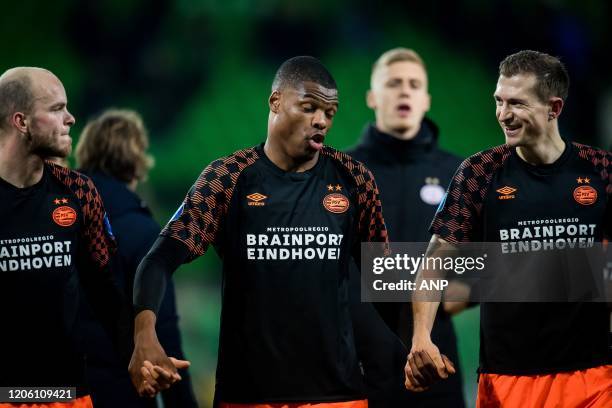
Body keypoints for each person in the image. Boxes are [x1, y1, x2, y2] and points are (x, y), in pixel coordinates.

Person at [128, 56, 388, 407]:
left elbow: (386, 274)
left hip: (338, 396)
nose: (321, 121)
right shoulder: (228, 177)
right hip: (248, 396)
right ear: (276, 102)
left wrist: (428, 328)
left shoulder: (354, 179)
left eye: (329, 113)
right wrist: (144, 334)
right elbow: (159, 258)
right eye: (309, 107)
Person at [406, 50, 611, 407]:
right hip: (508, 379)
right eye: (499, 101)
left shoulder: (602, 171)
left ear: (554, 108)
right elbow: (433, 262)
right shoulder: (478, 173)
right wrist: (421, 337)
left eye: (516, 103)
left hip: (593, 376)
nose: (503, 115)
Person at [0, 67, 131, 407]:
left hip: (68, 395)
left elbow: (105, 291)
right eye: (57, 109)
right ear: (21, 121)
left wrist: (140, 356)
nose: (71, 119)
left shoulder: (78, 190)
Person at [346, 48, 467, 407]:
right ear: (372, 96)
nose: (404, 91)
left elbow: (487, 262)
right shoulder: (341, 171)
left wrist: (450, 297)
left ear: (426, 98)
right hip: (359, 363)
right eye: (393, 83)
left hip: (436, 360)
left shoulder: (460, 173)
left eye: (414, 84)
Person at [74, 109, 198, 408]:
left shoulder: (57, 216)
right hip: (120, 390)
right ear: (137, 159)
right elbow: (162, 327)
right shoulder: (140, 229)